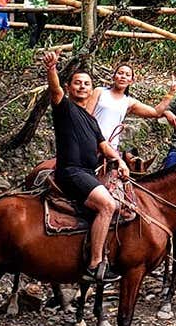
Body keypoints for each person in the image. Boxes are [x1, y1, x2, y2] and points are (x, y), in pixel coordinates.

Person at [43, 49, 129, 283]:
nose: (82, 87)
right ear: (70, 88)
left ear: (92, 90)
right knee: (107, 205)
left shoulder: (91, 120)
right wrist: (52, 69)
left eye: (87, 84)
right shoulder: (64, 108)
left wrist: (119, 160)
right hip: (71, 172)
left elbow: (104, 146)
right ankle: (94, 264)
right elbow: (55, 89)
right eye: (77, 83)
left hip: (88, 172)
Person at [87, 64, 176, 151]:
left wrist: (171, 93)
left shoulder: (129, 102)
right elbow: (86, 116)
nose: (123, 76)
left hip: (110, 146)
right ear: (114, 76)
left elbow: (155, 112)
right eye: (120, 73)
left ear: (131, 81)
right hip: (90, 141)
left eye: (127, 75)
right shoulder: (99, 91)